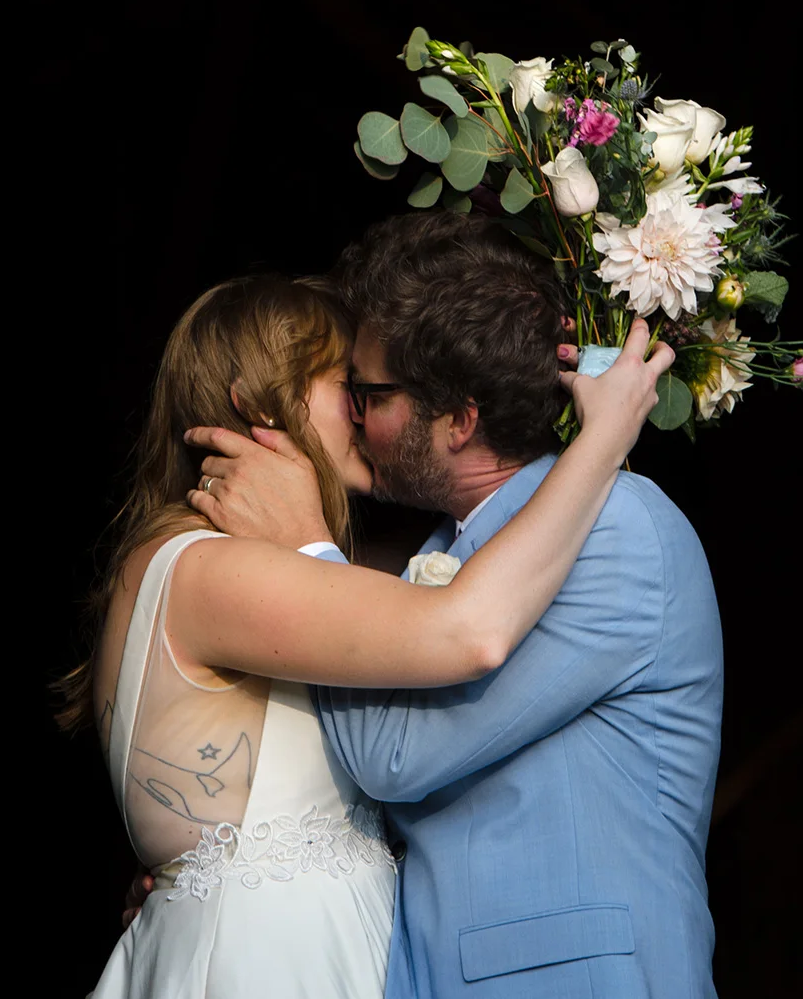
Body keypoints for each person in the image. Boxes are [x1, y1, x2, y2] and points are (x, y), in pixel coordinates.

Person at [57, 262, 672, 999]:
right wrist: (602, 439)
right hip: (271, 961)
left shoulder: (224, 567)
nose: (361, 411)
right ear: (259, 402)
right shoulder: (210, 570)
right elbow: (468, 630)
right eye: (339, 383)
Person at [182, 213, 724, 999]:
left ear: (461, 418)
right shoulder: (434, 555)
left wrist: (305, 546)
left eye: (370, 391)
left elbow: (394, 754)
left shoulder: (616, 529)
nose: (356, 415)